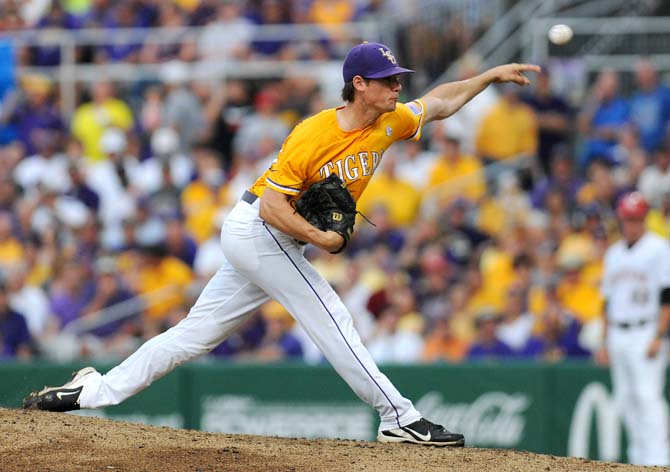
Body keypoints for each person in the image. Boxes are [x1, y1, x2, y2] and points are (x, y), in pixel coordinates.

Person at [23, 42, 539, 447]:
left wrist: (489, 76)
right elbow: (272, 204)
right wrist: (324, 238)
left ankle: (89, 391)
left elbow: (442, 102)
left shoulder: (390, 121)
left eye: (398, 78)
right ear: (358, 84)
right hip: (258, 229)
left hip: (276, 238)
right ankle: (399, 417)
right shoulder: (313, 134)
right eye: (387, 80)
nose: (397, 85)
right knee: (332, 313)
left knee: (192, 337)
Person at [596, 192, 670, 466]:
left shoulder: (659, 248)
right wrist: (604, 342)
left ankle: (659, 459)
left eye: (636, 219)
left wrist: (660, 335)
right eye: (627, 219)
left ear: (644, 219)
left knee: (648, 396)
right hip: (618, 332)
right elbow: (606, 301)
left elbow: (667, 295)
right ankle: (638, 459)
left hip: (645, 329)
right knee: (625, 398)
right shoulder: (613, 253)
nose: (631, 224)